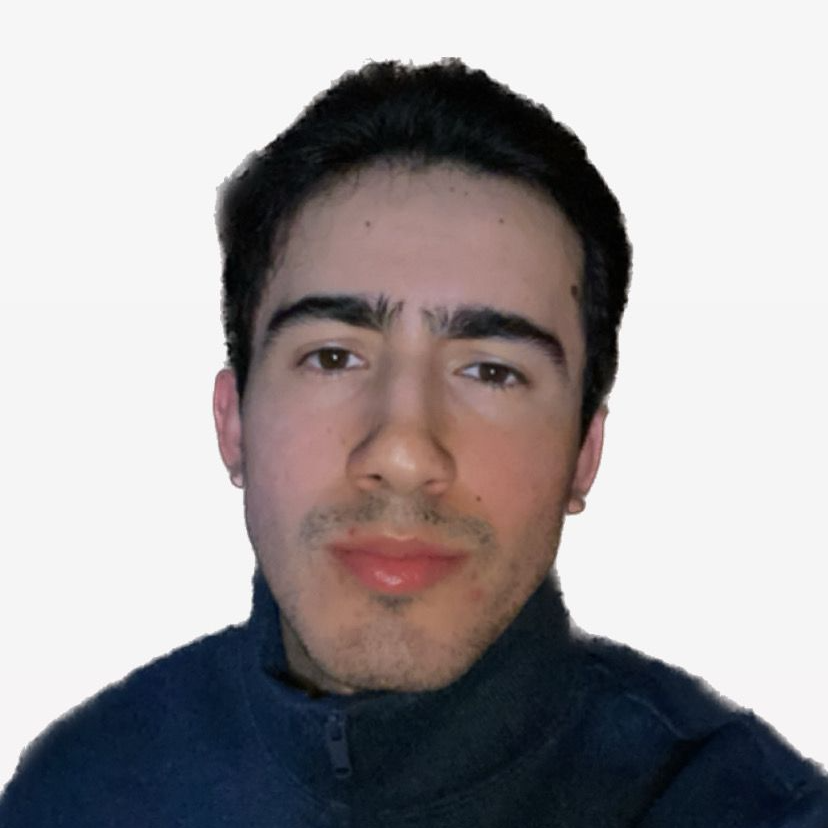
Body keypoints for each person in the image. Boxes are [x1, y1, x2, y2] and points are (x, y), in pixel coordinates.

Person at [2, 58, 826, 827]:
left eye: (492, 372)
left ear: (584, 453)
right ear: (233, 423)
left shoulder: (750, 810)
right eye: (333, 357)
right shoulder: (75, 794)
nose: (403, 452)